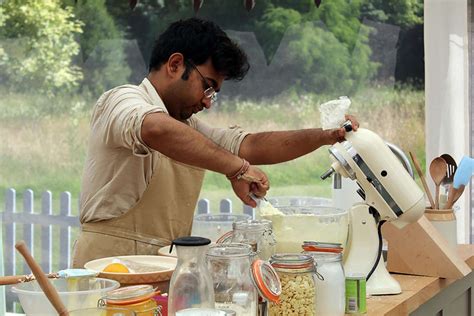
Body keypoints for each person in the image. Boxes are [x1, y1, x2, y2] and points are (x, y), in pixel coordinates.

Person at [72, 17, 358, 268]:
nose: (208, 102)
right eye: (207, 86)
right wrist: (236, 169)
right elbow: (156, 129)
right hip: (108, 272)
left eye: (214, 93)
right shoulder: (122, 100)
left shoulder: (189, 127)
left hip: (164, 267)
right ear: (175, 64)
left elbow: (251, 146)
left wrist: (326, 135)